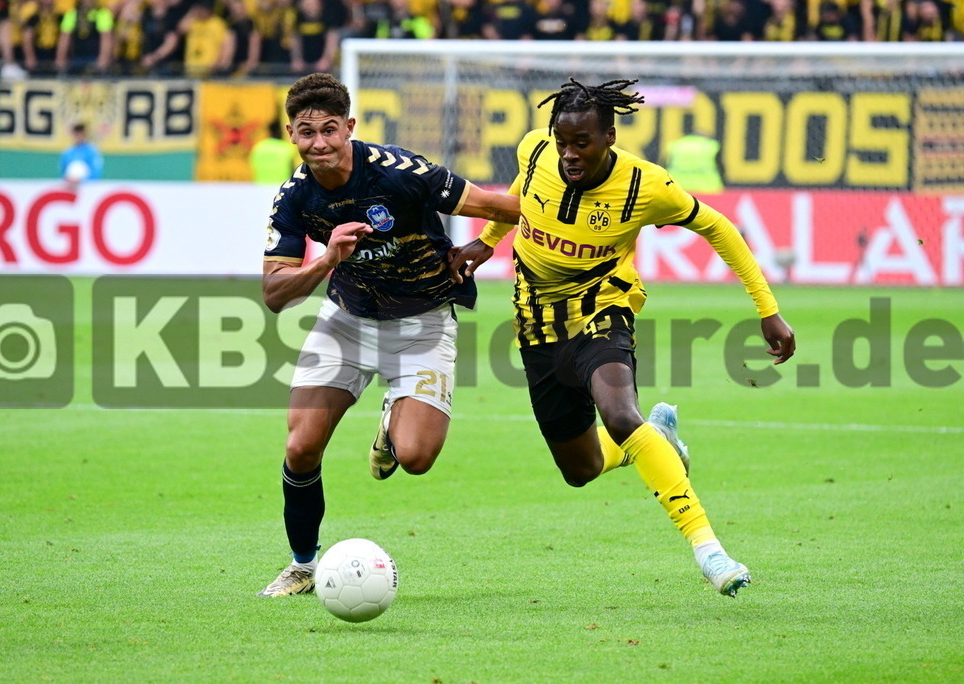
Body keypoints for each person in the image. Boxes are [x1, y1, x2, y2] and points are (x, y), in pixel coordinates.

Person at [449, 78, 795, 597]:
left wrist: (768, 310)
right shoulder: (535, 149)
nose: (568, 153)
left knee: (618, 411)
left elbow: (718, 227)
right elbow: (521, 196)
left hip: (602, 308)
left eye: (581, 143)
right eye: (562, 141)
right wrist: (486, 242)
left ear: (609, 136)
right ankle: (655, 440)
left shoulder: (646, 186)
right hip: (536, 323)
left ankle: (709, 550)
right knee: (581, 468)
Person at [258, 73, 520, 597]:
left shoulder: (403, 174)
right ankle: (303, 565)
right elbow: (275, 293)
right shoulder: (294, 197)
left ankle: (392, 419)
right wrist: (328, 259)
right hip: (346, 322)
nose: (319, 144)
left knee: (417, 457)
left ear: (350, 127)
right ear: (292, 134)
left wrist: (491, 244)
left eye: (330, 130)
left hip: (422, 324)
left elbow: (500, 206)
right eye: (306, 133)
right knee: (301, 446)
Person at [665, 128, 725, 194]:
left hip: (679, 188)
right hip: (708, 189)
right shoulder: (710, 146)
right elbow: (721, 168)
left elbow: (664, 167)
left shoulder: (676, 145)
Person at [249, 118, 298, 184]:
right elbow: (293, 172)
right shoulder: (287, 148)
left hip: (260, 189)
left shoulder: (258, 148)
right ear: (281, 131)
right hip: (282, 188)